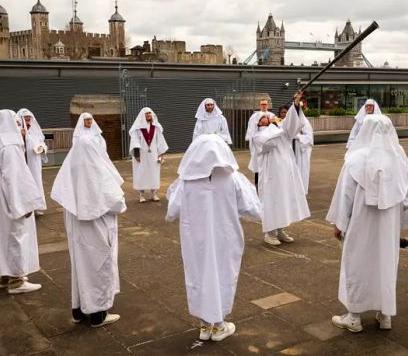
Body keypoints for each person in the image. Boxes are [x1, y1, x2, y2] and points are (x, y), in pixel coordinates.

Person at [166, 134, 262, 342]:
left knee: (199, 275)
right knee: (223, 274)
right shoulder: (233, 178)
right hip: (225, 238)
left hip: (195, 240)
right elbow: (253, 209)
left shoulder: (186, 181)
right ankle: (219, 325)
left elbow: (172, 211)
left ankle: (204, 324)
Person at [327, 114, 408, 332]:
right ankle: (385, 315)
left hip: (360, 225)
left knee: (357, 264)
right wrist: (400, 225)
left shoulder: (355, 159)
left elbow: (344, 196)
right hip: (388, 227)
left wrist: (340, 224)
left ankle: (354, 317)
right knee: (385, 266)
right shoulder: (399, 159)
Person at [51, 135, 126, 327]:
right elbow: (116, 202)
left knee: (80, 269)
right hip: (97, 229)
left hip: (78, 231)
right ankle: (98, 313)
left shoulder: (70, 169)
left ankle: (78, 310)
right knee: (99, 267)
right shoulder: (96, 169)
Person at [0, 109, 46, 294]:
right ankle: (17, 280)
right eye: (16, 123)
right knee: (16, 236)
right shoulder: (10, 148)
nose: (19, 126)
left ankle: (4, 275)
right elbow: (15, 179)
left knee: (2, 238)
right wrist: (24, 205)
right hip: (11, 203)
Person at [253, 93, 310, 246]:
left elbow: (291, 125)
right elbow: (268, 143)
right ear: (259, 123)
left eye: (267, 117)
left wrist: (296, 104)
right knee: (272, 200)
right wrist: (273, 125)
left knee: (284, 199)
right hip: (271, 174)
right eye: (262, 119)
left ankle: (280, 229)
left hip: (285, 172)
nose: (266, 118)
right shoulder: (258, 136)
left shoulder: (279, 128)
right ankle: (269, 233)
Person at [129, 107, 169, 202]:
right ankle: (141, 195)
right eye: (146, 114)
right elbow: (134, 141)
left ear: (152, 115)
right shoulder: (138, 128)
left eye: (149, 113)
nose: (148, 115)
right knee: (141, 173)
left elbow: (160, 141)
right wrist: (137, 154)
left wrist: (161, 154)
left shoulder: (155, 127)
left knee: (153, 173)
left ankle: (153, 194)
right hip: (141, 155)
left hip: (153, 154)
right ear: (143, 116)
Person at [18, 109, 48, 216]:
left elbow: (41, 142)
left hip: (35, 162)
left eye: (29, 117)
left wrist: (42, 148)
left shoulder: (35, 129)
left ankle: (37, 207)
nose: (27, 119)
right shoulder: (18, 130)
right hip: (24, 162)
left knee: (36, 182)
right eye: (25, 117)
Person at [278, 105, 314, 194]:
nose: (284, 114)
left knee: (299, 171)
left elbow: (309, 138)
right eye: (282, 112)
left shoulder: (304, 122)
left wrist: (297, 136)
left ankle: (300, 191)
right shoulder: (282, 122)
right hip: (287, 150)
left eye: (285, 112)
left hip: (299, 152)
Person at [245, 98, 275, 187]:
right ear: (259, 105)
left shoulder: (272, 115)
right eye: (262, 104)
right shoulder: (255, 116)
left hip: (270, 139)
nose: (264, 106)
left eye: (265, 104)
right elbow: (252, 130)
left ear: (268, 105)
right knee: (259, 166)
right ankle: (258, 184)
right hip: (259, 143)